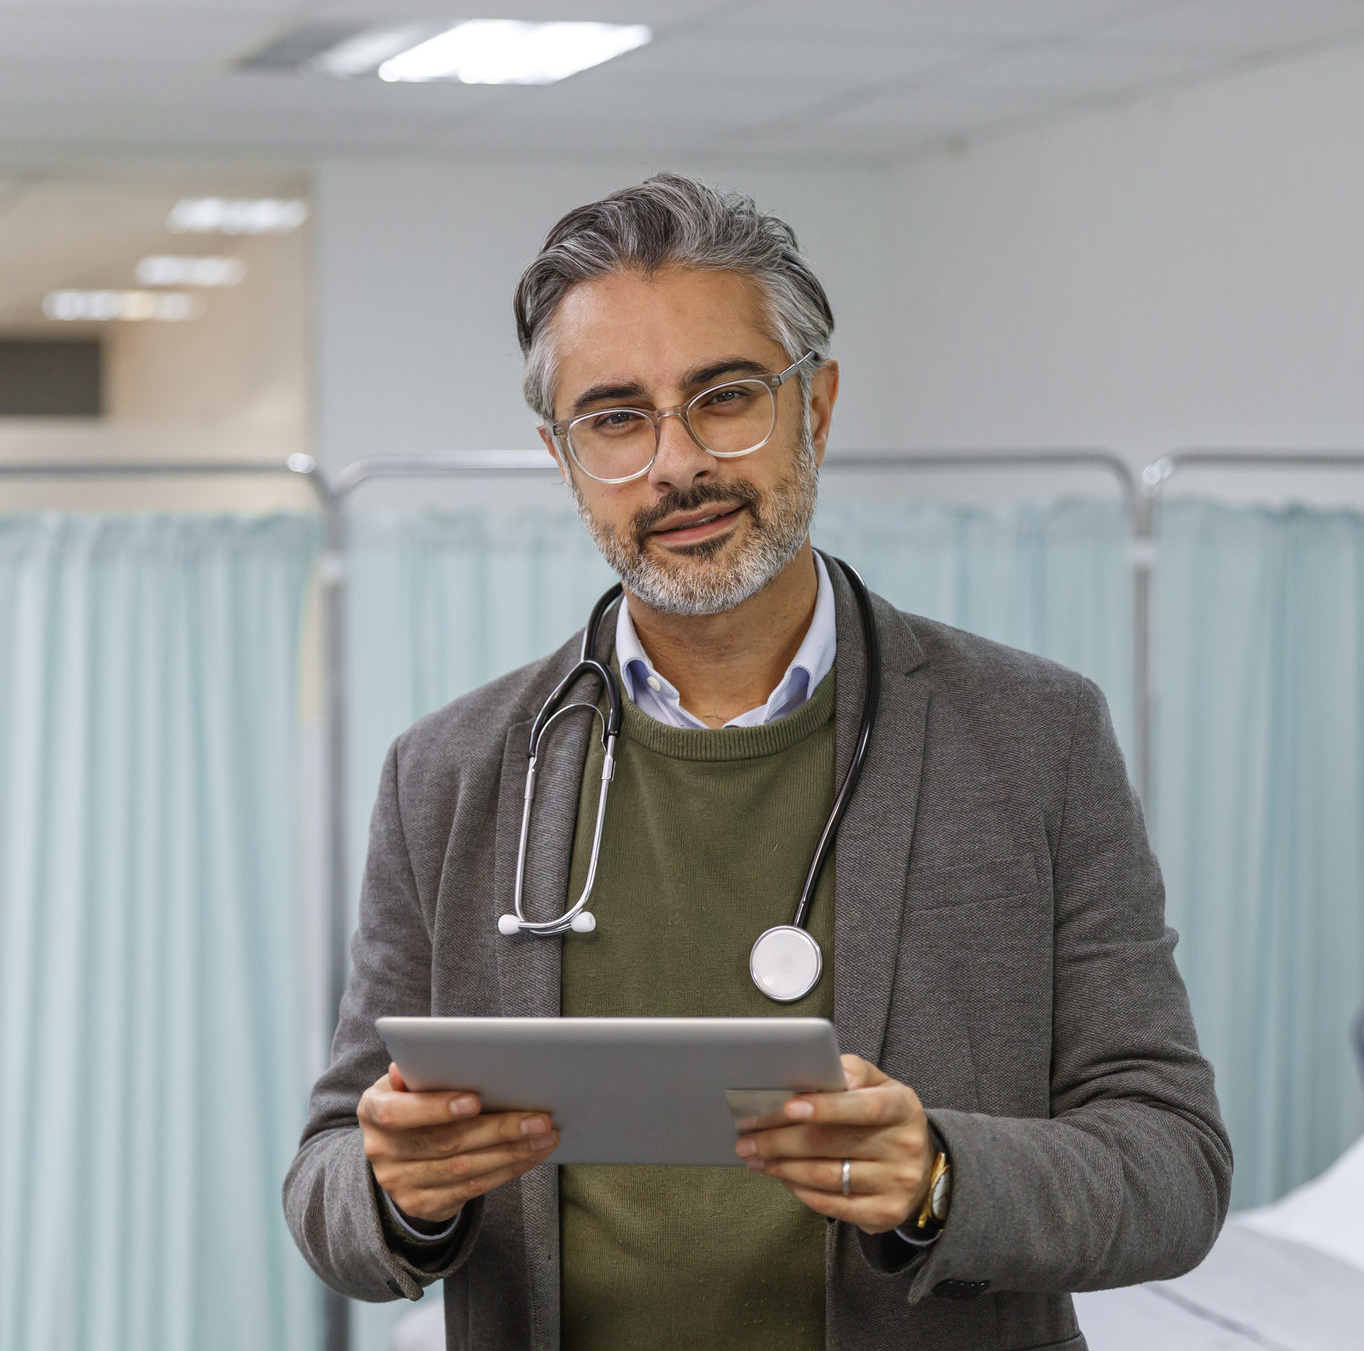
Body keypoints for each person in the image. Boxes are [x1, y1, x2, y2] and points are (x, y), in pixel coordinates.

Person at [284, 173, 1231, 1351]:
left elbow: (1173, 1163)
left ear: (816, 405)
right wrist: (397, 1192)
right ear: (562, 455)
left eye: (724, 396)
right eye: (616, 418)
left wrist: (942, 1172)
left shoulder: (1030, 738)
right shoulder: (451, 774)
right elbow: (329, 1172)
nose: (676, 464)